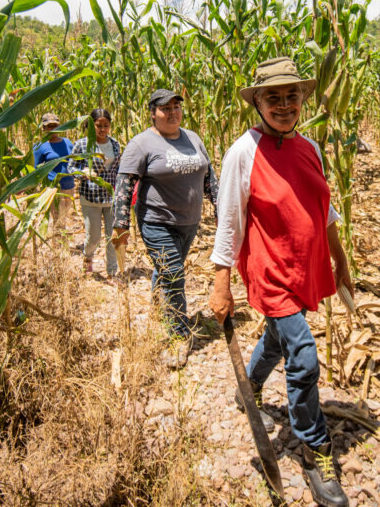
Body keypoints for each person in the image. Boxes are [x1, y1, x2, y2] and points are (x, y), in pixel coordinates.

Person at [209, 57, 354, 507]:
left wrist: (340, 261)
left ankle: (249, 385)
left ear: (303, 99)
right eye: (273, 97)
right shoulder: (243, 152)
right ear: (258, 103)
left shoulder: (310, 147)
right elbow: (229, 219)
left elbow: (324, 209)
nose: (285, 105)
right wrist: (220, 281)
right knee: (304, 356)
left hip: (304, 266)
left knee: (278, 337)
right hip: (270, 270)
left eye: (292, 96)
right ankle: (316, 451)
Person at [112, 89, 218, 368]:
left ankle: (159, 305)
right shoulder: (142, 143)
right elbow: (125, 184)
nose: (172, 112)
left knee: (168, 269)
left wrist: (220, 208)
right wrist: (120, 224)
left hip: (189, 221)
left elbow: (209, 176)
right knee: (174, 273)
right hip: (156, 221)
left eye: (176, 107)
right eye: (165, 108)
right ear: (153, 113)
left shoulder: (193, 138)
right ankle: (178, 335)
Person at [70, 108, 122, 278]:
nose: (102, 129)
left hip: (110, 198)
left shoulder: (115, 144)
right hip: (90, 196)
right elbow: (70, 167)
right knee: (93, 237)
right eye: (98, 126)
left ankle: (112, 272)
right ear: (90, 126)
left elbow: (118, 169)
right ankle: (88, 258)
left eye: (106, 125)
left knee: (111, 238)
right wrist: (83, 173)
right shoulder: (82, 144)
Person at [33, 112, 75, 230]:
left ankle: (61, 244)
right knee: (57, 218)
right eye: (49, 126)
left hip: (69, 186)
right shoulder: (40, 146)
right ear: (43, 128)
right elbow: (36, 169)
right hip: (53, 188)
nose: (53, 129)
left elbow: (74, 162)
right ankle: (58, 246)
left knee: (64, 216)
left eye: (55, 125)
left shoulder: (68, 143)